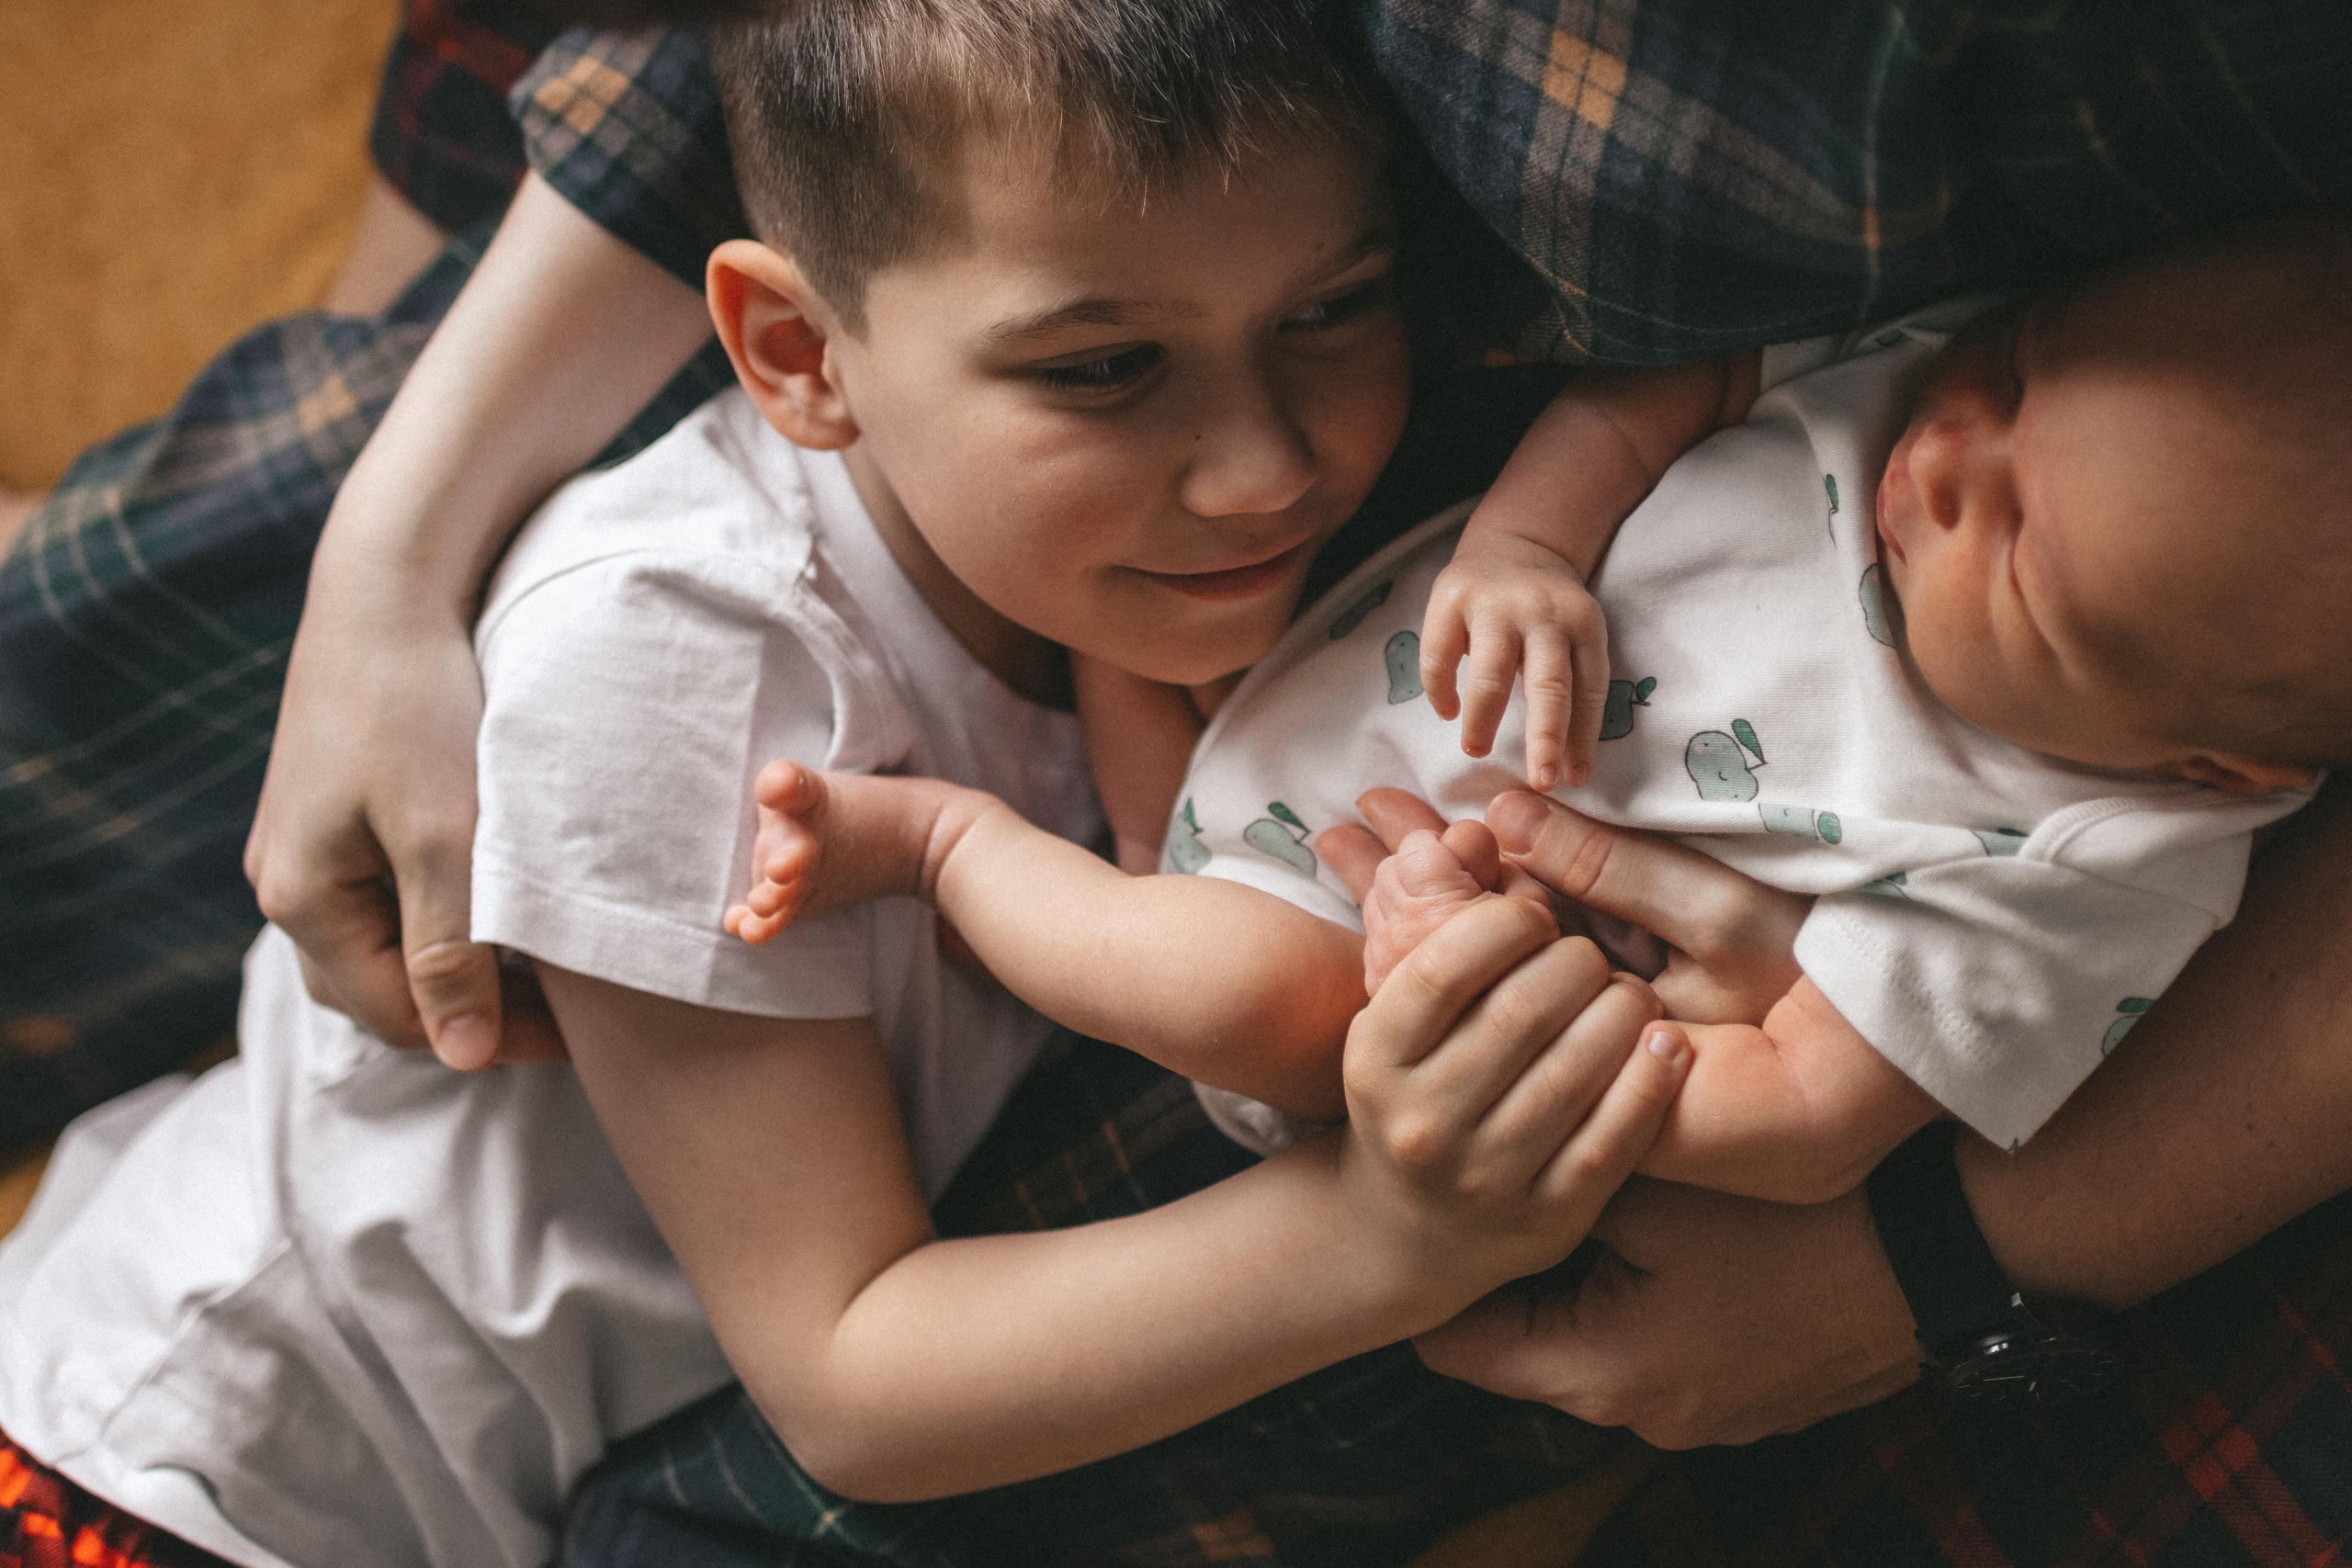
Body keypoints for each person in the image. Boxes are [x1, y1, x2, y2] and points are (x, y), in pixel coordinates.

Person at [7, 1, 2348, 1562]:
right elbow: (854, 1382)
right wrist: (1405, 1230)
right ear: (798, 355)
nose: (1267, 469)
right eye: (1104, 368)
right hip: (186, 1458)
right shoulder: (666, 674)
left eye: (1333, 313)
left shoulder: (1122, 578)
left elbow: (1189, 849)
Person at [727, 222, 2341, 1218]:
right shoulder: (1984, 378)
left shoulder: (2094, 867)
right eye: (2015, 373)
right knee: (1149, 593)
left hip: (1324, 948)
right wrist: (1527, 546)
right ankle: (1101, 825)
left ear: (2208, 765)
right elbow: (1680, 387)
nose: (1941, 457)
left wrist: (1488, 999)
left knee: (1210, 979)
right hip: (1284, 668)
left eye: (2023, 553)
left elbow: (1804, 1122)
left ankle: (943, 852)